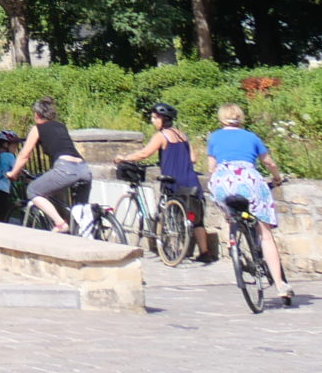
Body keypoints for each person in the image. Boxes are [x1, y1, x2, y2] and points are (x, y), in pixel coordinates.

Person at [206, 101, 295, 304]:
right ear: (240, 118)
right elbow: (269, 162)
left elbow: (211, 167)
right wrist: (277, 177)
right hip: (249, 180)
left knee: (227, 208)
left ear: (221, 119)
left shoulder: (215, 137)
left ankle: (232, 235)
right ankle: (281, 285)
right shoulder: (251, 137)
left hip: (222, 182)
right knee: (265, 235)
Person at [117, 101, 209, 261]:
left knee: (169, 215)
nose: (152, 121)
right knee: (196, 218)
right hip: (190, 180)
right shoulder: (183, 135)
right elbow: (193, 159)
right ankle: (205, 252)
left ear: (163, 119)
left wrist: (124, 158)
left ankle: (172, 250)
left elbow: (145, 154)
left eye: (154, 118)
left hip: (173, 181)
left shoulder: (161, 136)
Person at [7, 97, 92, 233]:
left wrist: (13, 173)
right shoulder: (61, 126)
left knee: (33, 191)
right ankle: (89, 233)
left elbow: (24, 155)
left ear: (36, 114)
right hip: (84, 169)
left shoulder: (37, 129)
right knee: (80, 210)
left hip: (66, 169)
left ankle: (60, 224)